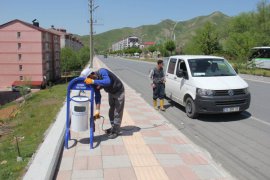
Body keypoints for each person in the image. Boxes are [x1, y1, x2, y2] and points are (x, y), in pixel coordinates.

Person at [81, 67, 125, 139]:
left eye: (89, 78)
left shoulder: (102, 71)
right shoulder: (93, 82)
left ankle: (115, 131)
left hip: (119, 90)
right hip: (111, 92)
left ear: (91, 74)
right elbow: (97, 96)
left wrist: (92, 81)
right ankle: (113, 127)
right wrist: (97, 112)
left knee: (117, 111)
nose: (89, 80)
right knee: (111, 110)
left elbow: (108, 81)